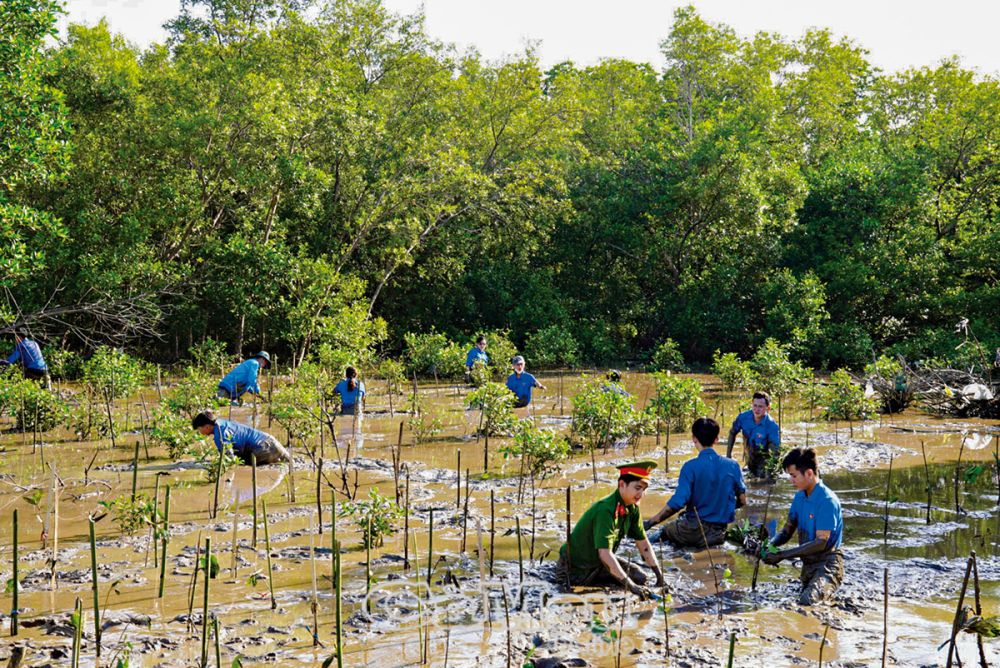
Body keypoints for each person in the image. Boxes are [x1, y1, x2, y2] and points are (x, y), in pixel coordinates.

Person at [556, 461, 666, 599]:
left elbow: (643, 544)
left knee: (640, 577)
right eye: (637, 488)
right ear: (621, 485)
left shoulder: (632, 508)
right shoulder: (605, 510)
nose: (641, 494)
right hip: (575, 569)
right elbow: (605, 554)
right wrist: (631, 586)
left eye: (644, 489)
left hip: (599, 564)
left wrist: (659, 575)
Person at [644, 417, 746, 548]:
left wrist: (651, 522)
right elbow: (743, 501)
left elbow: (678, 502)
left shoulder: (690, 467)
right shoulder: (733, 466)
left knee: (664, 531)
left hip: (690, 530)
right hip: (717, 534)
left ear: (694, 438)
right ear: (716, 439)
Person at [763, 447, 844, 606]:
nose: (791, 480)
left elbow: (821, 542)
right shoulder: (800, 496)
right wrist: (769, 546)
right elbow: (787, 531)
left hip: (827, 564)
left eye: (794, 476)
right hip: (808, 564)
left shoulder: (827, 501)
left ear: (809, 473)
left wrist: (782, 555)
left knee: (808, 601)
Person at [192, 410, 290, 465]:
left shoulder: (220, 435)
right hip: (271, 441)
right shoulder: (222, 423)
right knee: (289, 463)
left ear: (207, 426)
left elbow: (229, 458)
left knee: (243, 464)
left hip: (262, 449)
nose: (200, 433)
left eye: (199, 429)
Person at [726, 391, 781, 478]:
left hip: (763, 460)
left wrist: (769, 472)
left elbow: (775, 452)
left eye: (760, 407)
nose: (757, 409)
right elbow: (732, 432)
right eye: (755, 406)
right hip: (750, 457)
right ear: (751, 404)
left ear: (768, 408)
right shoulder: (743, 417)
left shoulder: (772, 426)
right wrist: (728, 456)